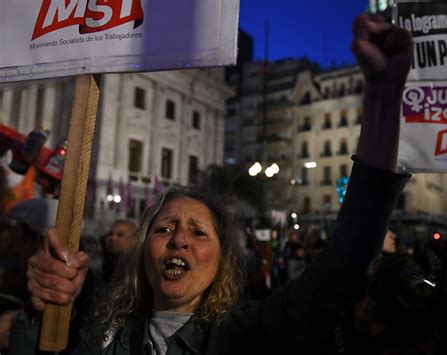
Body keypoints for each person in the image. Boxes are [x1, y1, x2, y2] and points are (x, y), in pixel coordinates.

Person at [10, 13, 413, 354]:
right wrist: (47, 304)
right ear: (141, 252)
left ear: (223, 259)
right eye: (165, 228)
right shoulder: (102, 333)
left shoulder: (250, 337)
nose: (179, 241)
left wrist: (383, 96)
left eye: (198, 231)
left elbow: (347, 259)